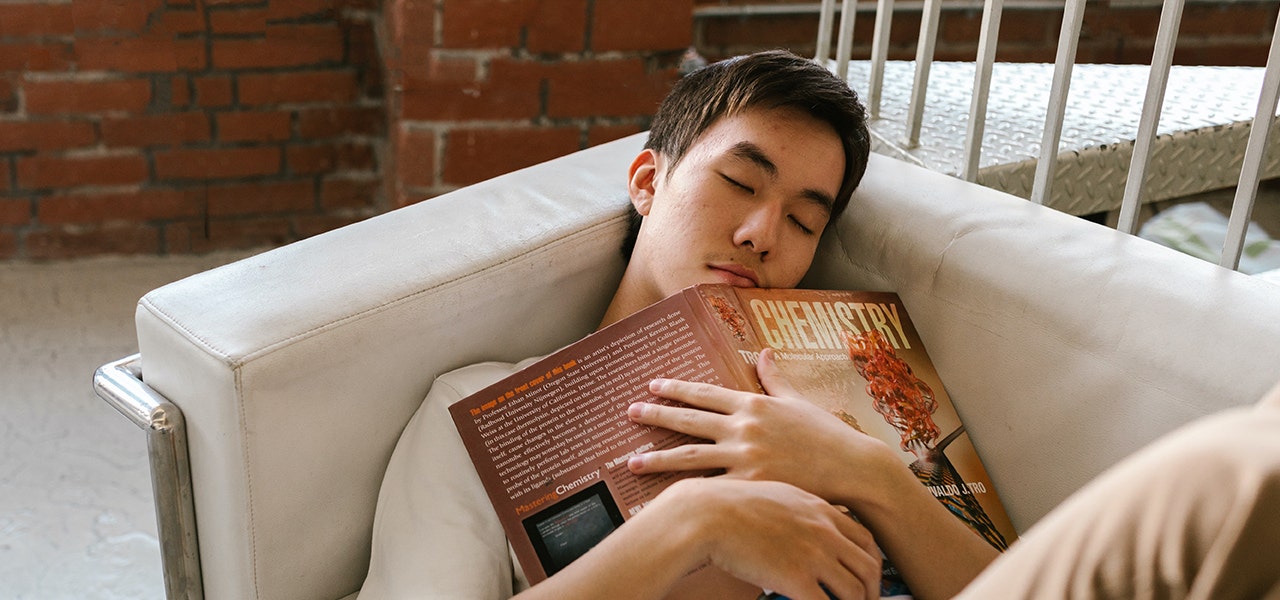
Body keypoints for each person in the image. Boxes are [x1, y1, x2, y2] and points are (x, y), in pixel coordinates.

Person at [360, 49, 1280, 600]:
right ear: (648, 184)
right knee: (1248, 470)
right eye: (739, 183)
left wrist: (870, 473)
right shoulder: (477, 406)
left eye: (805, 219)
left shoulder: (833, 375)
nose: (763, 234)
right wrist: (692, 524)